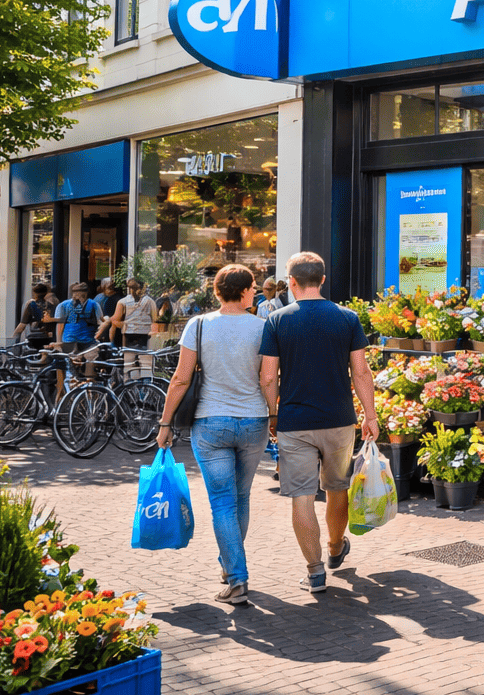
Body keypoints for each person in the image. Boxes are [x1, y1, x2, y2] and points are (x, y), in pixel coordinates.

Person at [259, 252, 377, 594]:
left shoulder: (277, 320)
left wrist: (273, 413)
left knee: (302, 496)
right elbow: (361, 371)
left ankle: (314, 572)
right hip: (339, 419)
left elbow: (268, 377)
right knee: (337, 487)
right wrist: (370, 415)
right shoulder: (347, 318)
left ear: (291, 282)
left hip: (294, 421)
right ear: (323, 280)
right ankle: (335, 548)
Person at [155, 264, 271, 606]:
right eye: (254, 287)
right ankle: (231, 566)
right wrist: (274, 414)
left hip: (210, 423)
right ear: (247, 291)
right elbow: (267, 379)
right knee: (242, 497)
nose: (256, 292)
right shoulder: (263, 328)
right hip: (253, 421)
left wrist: (165, 423)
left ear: (218, 292)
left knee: (222, 501)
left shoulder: (199, 325)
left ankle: (235, 577)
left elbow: (181, 378)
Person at [101, 279, 158, 377]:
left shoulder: (126, 302)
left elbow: (115, 319)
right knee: (138, 363)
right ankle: (139, 386)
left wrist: (124, 324)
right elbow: (155, 319)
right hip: (137, 335)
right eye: (132, 288)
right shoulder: (146, 301)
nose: (133, 290)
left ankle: (137, 386)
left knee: (136, 363)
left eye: (134, 288)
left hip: (137, 334)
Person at [55, 283, 104, 373]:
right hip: (70, 341)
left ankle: (88, 384)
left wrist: (99, 335)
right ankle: (76, 383)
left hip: (87, 341)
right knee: (73, 366)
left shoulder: (94, 305)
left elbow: (100, 322)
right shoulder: (63, 305)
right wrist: (59, 342)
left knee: (90, 364)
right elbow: (60, 325)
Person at [14, 283, 54, 350]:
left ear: (35, 293)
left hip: (33, 337)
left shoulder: (32, 304)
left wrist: (14, 336)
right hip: (47, 337)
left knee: (34, 357)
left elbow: (22, 324)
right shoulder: (50, 305)